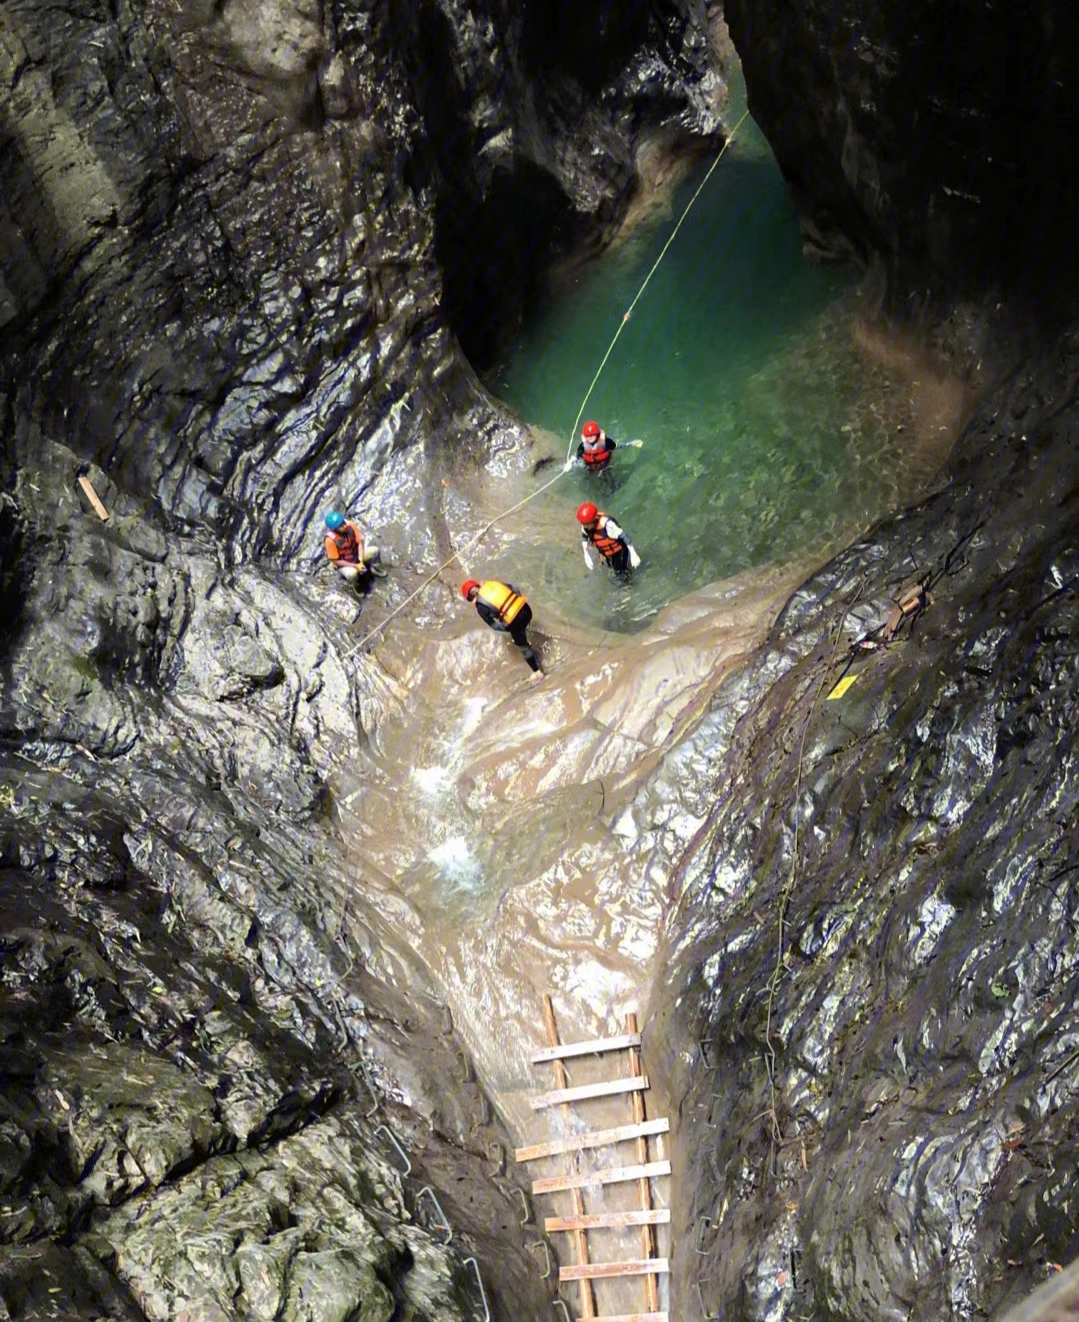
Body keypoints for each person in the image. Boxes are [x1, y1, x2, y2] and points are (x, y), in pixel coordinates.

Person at [461, 579, 543, 678]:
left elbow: (495, 626)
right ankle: (523, 632)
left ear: (470, 598)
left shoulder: (480, 607)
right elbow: (515, 588)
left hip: (515, 621)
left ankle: (537, 673)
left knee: (523, 647)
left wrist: (510, 629)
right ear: (478, 585)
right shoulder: (492, 584)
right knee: (521, 629)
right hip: (526, 609)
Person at [577, 502, 641, 578]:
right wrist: (586, 554)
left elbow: (625, 536)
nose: (584, 526)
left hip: (620, 551)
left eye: (586, 524)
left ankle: (627, 587)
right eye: (583, 523)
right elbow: (584, 536)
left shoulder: (608, 525)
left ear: (593, 520)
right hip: (608, 553)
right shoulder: (586, 525)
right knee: (613, 569)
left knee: (622, 573)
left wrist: (633, 554)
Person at [323, 511, 384, 585]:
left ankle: (373, 569)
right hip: (345, 563)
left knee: (375, 551)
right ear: (335, 529)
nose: (344, 526)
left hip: (356, 555)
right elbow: (336, 561)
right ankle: (356, 585)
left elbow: (360, 543)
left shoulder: (350, 525)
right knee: (352, 574)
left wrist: (360, 561)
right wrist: (355, 566)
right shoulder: (330, 540)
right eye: (340, 526)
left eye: (343, 523)